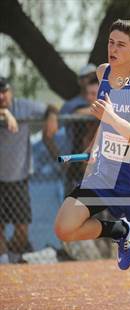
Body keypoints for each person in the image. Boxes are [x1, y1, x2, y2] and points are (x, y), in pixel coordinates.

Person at [53, 20, 130, 310]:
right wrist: (94, 148)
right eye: (110, 42)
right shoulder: (103, 73)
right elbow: (105, 128)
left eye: (121, 45)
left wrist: (113, 117)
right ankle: (118, 231)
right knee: (64, 228)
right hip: (104, 175)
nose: (113, 49)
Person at [0, 76, 57, 263]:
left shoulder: (22, 106)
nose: (1, 96)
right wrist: (5, 114)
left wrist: (51, 117)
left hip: (18, 177)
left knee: (22, 229)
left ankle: (11, 258)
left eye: (4, 91)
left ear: (11, 91)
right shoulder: (6, 110)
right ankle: (5, 260)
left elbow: (50, 107)